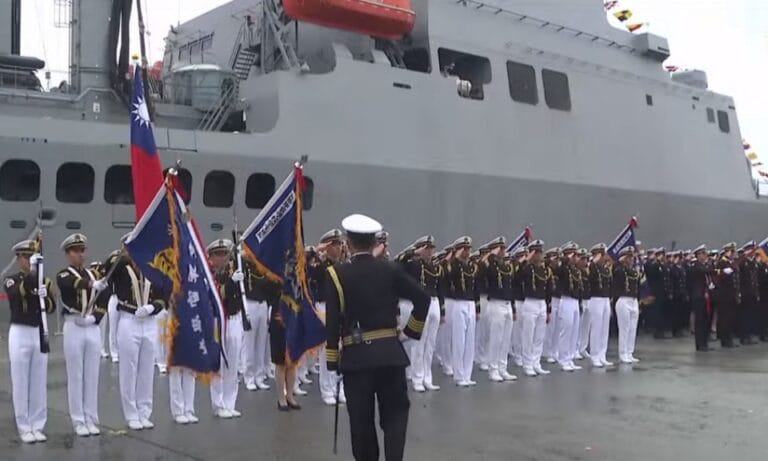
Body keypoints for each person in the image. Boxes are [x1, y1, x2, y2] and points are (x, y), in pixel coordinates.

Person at [325, 213, 429, 461]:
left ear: (348, 243)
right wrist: (409, 332)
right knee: (395, 417)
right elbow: (423, 299)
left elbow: (333, 321)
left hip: (356, 358)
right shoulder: (390, 269)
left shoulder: (336, 274)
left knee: (361, 423)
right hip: (391, 355)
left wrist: (332, 359)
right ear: (374, 242)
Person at [103, 238, 167, 430]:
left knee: (146, 369)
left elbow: (163, 295)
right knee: (129, 368)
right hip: (129, 319)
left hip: (149, 321)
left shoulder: (152, 268)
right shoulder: (121, 266)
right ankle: (131, 413)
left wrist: (152, 307)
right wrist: (124, 253)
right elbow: (108, 270)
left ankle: (144, 411)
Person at [56, 233, 109, 437]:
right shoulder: (64, 274)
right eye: (76, 251)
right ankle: (78, 419)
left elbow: (104, 299)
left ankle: (91, 417)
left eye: (82, 250)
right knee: (76, 374)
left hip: (91, 326)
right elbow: (69, 284)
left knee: (92, 375)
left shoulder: (93, 274)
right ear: (68, 254)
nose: (80, 255)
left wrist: (96, 317)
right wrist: (91, 284)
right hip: (74, 324)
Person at [5, 239, 55, 443]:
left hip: (38, 332)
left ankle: (38, 423)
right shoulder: (11, 279)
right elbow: (16, 294)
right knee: (21, 381)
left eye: (32, 257)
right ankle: (24, 426)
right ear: (19, 259)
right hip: (20, 332)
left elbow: (51, 308)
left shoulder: (45, 281)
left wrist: (46, 296)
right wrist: (34, 276)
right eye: (26, 257)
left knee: (39, 381)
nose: (29, 261)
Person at [400, 236, 445, 391]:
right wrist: (412, 252)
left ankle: (427, 377)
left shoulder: (434, 266)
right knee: (418, 343)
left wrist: (442, 309)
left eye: (431, 248)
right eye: (426, 248)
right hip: (421, 303)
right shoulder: (412, 265)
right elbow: (399, 263)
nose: (430, 251)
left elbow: (439, 288)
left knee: (430, 344)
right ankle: (417, 378)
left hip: (434, 303)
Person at [308, 228, 347, 405]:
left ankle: (339, 388)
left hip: (340, 309)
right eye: (335, 244)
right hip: (324, 308)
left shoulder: (343, 265)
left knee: (341, 349)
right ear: (327, 246)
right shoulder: (320, 266)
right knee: (327, 350)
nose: (339, 248)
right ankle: (327, 390)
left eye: (339, 244)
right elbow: (306, 270)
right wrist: (317, 252)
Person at [207, 239, 245, 418]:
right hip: (219, 321)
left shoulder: (234, 270)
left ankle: (230, 402)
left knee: (233, 363)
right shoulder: (210, 274)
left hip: (235, 319)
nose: (223, 258)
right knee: (219, 364)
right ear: (212, 257)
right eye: (219, 254)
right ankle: (218, 404)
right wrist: (231, 282)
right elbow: (218, 294)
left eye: (225, 254)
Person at [444, 236, 480, 387]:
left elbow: (476, 288)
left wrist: (478, 308)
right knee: (459, 341)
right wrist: (454, 257)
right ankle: (459, 375)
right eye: (464, 249)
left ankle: (467, 374)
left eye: (468, 248)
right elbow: (446, 275)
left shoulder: (472, 266)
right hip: (458, 303)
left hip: (470, 303)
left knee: (470, 341)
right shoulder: (453, 266)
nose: (467, 251)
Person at [482, 237, 518, 382]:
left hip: (507, 304)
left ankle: (502, 368)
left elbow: (511, 287)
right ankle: (493, 369)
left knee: (505, 340)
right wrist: (491, 254)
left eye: (504, 248)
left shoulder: (506, 267)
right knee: (495, 339)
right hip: (496, 304)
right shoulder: (489, 266)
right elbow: (482, 269)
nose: (503, 251)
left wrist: (513, 308)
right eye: (500, 248)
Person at [242, 260, 280, 392]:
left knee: (261, 343)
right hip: (250, 303)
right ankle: (249, 377)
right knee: (249, 343)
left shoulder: (264, 265)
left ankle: (259, 376)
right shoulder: (245, 264)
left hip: (263, 304)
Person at [555, 242, 583, 372]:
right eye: (574, 254)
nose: (576, 257)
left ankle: (570, 358)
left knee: (574, 331)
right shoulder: (563, 268)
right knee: (566, 331)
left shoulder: (575, 270)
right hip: (565, 300)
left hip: (575, 301)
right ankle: (563, 359)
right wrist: (565, 259)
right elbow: (558, 271)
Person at [612, 247, 641, 364]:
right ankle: (623, 353)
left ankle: (629, 352)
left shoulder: (633, 270)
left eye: (632, 257)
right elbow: (615, 270)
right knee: (624, 328)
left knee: (632, 329)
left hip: (633, 300)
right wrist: (620, 262)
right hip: (623, 300)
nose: (631, 259)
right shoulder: (619, 269)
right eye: (628, 257)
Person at [588, 243, 613, 368]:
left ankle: (602, 355)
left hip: (605, 299)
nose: (604, 257)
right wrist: (593, 261)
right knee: (596, 328)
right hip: (595, 299)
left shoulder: (605, 268)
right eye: (602, 255)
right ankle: (594, 355)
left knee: (604, 329)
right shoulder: (592, 267)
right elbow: (588, 274)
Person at [687, 245, 715, 351]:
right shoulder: (696, 266)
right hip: (698, 296)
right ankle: (700, 344)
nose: (705, 256)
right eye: (703, 254)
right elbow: (708, 270)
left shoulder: (703, 265)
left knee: (706, 320)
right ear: (698, 255)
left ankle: (705, 342)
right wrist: (712, 264)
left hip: (706, 295)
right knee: (700, 321)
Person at [714, 243, 740, 348]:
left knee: (730, 318)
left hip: (731, 294)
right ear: (728, 252)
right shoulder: (721, 262)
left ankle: (729, 338)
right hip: (724, 295)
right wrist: (724, 272)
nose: (734, 254)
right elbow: (716, 275)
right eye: (732, 252)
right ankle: (725, 340)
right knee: (725, 318)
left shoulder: (731, 263)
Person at [738, 241, 760, 345]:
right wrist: (744, 256)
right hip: (745, 293)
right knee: (745, 316)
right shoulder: (743, 262)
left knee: (750, 315)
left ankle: (748, 335)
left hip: (753, 293)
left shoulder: (752, 262)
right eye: (752, 249)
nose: (754, 252)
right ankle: (744, 336)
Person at [543, 247, 561, 365]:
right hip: (551, 300)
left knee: (557, 328)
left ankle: (555, 351)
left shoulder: (559, 270)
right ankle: (547, 352)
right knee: (550, 328)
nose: (556, 261)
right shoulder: (547, 270)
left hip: (559, 299)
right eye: (554, 258)